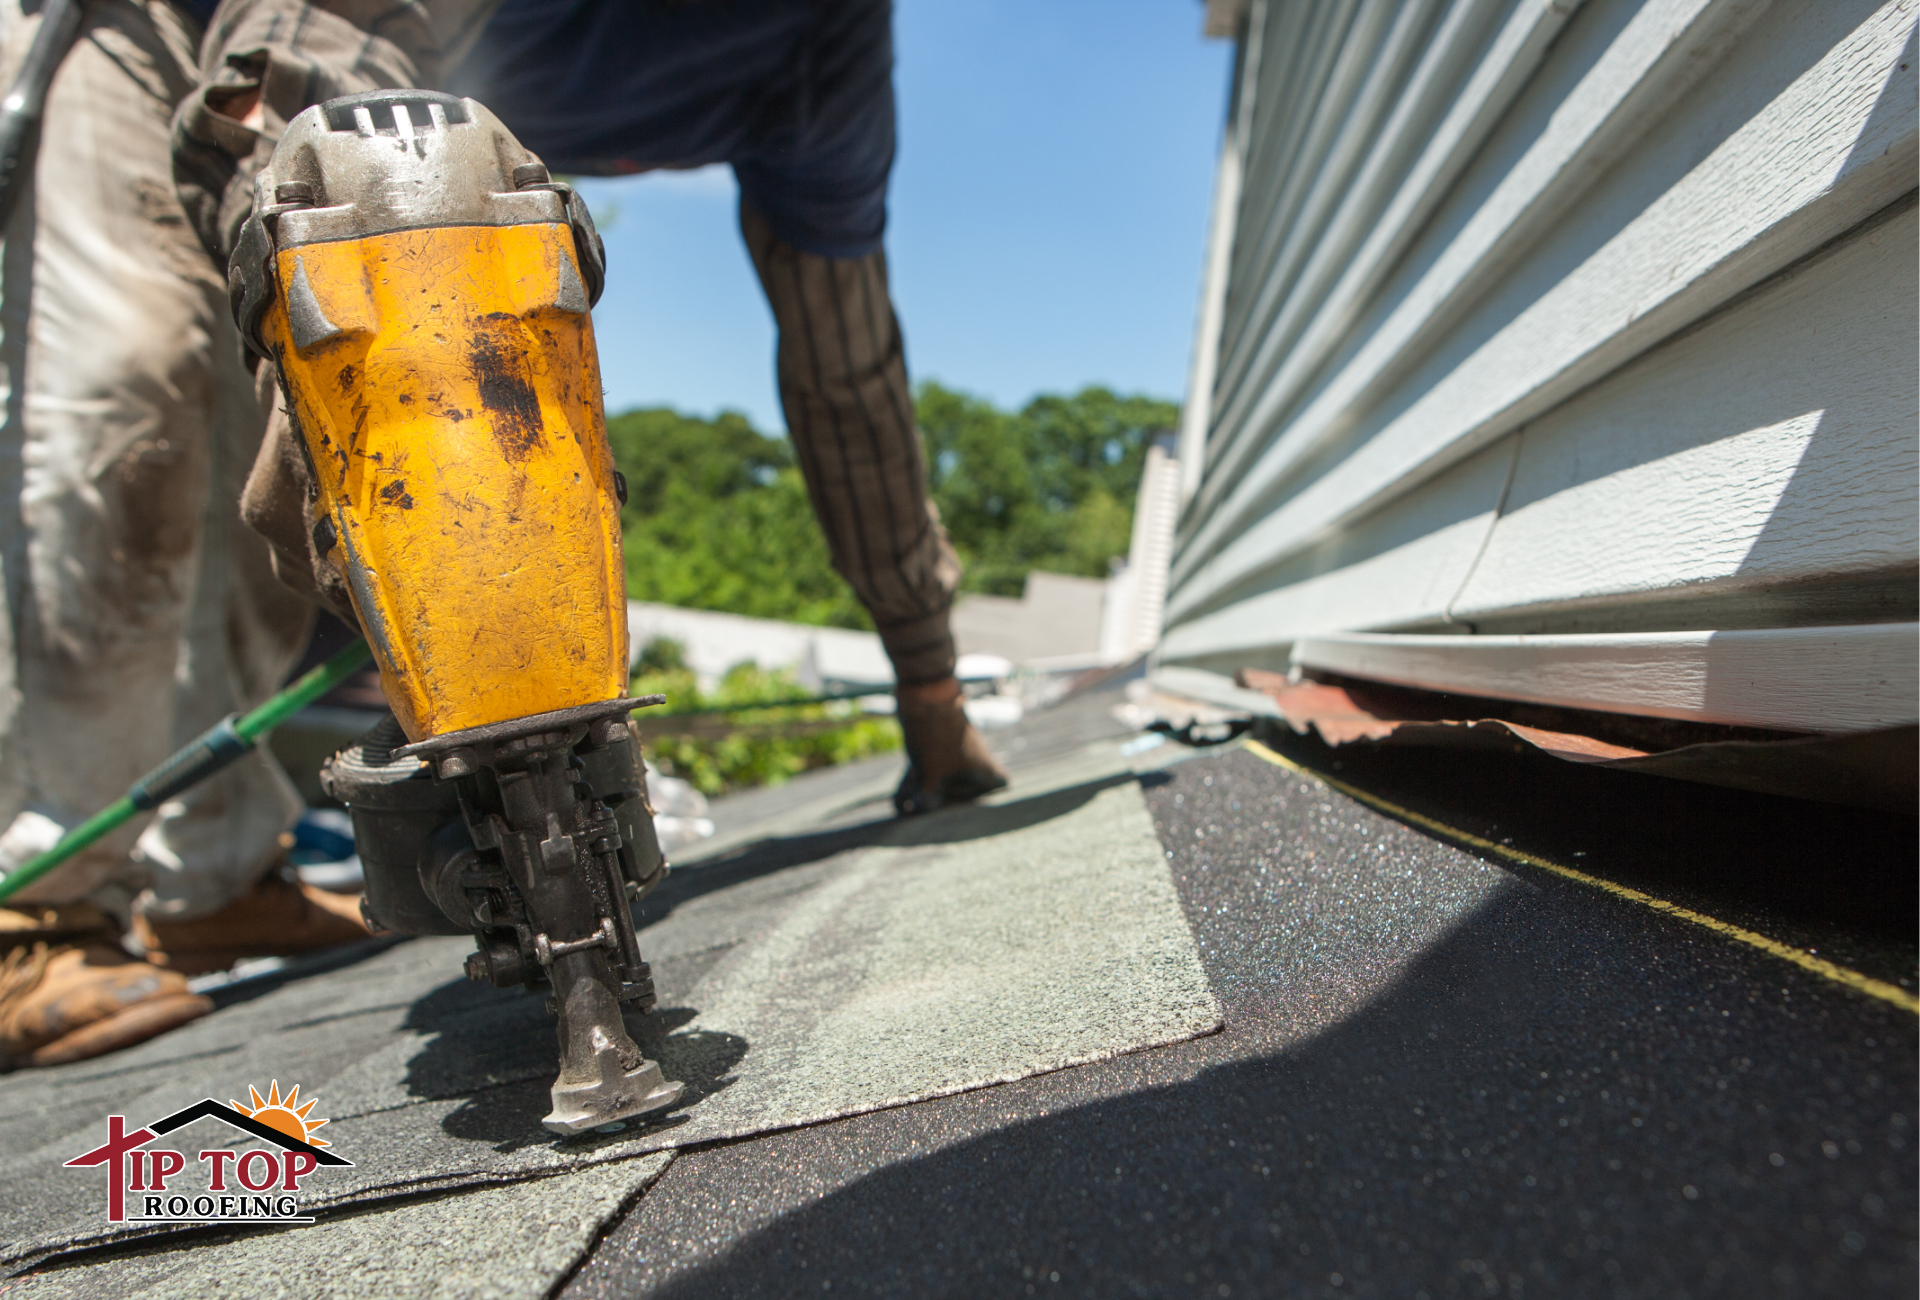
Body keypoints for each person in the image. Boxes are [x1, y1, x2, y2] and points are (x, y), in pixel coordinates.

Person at [172, 0, 1009, 816]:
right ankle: (93, 914)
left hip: (490, 71)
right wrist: (305, 341)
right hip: (183, 40)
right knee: (149, 394)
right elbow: (289, 97)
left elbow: (846, 370)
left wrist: (930, 684)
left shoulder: (820, 48)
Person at [0, 0, 369, 1072]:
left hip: (293, 45)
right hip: (109, 26)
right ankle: (38, 908)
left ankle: (215, 874)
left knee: (265, 439)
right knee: (127, 403)